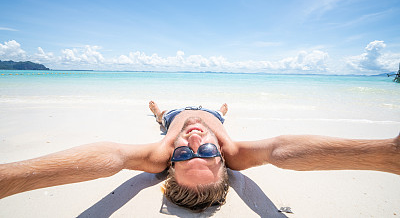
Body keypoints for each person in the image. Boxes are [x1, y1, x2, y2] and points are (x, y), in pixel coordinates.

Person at [0, 101, 399, 212]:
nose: (194, 141)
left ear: (169, 164)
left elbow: (114, 156)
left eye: (183, 154)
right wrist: (386, 155)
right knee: (220, 112)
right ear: (223, 159)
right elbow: (280, 150)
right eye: (207, 152)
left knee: (162, 115)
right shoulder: (235, 152)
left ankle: (156, 109)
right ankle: (223, 108)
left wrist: (11, 177)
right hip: (213, 112)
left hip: (173, 112)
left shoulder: (160, 153)